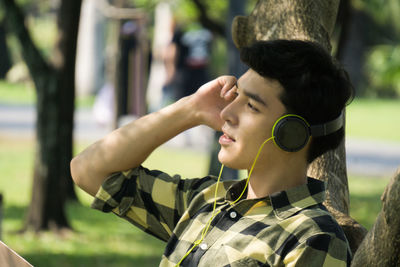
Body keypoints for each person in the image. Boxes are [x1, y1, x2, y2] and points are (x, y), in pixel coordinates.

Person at [71, 39, 353, 266]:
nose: (226, 113)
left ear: (292, 134)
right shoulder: (205, 200)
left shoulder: (313, 238)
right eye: (236, 95)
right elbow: (88, 170)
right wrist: (190, 109)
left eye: (251, 106)